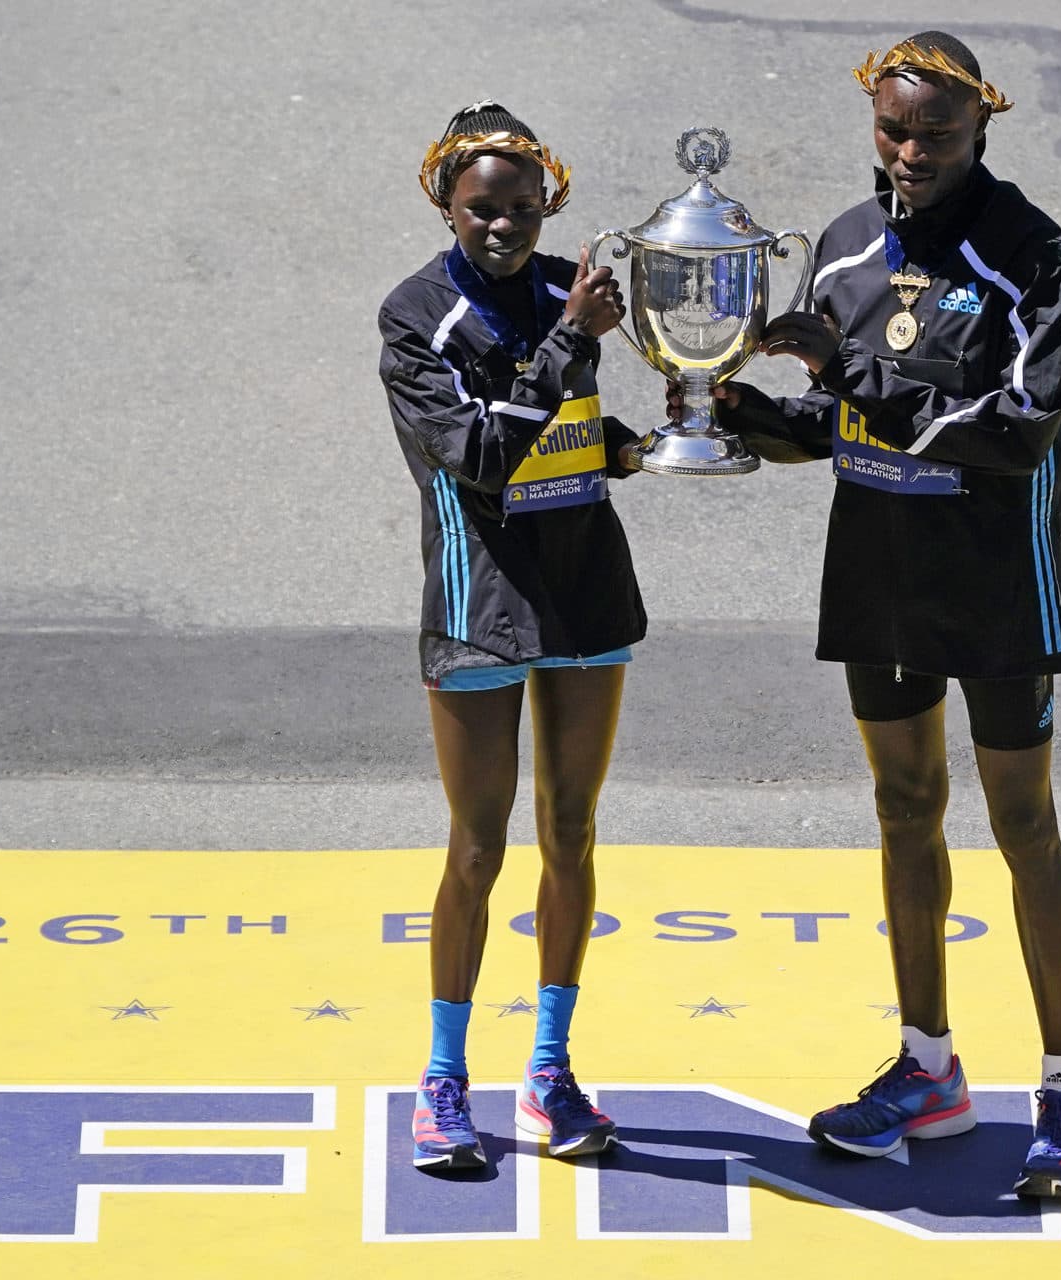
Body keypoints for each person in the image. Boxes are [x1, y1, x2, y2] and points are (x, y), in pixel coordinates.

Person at [692, 33, 1061, 1198]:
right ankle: (929, 1063)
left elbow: (1020, 429)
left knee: (1023, 821)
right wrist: (731, 410)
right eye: (892, 131)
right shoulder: (844, 245)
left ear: (982, 132)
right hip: (877, 567)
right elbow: (838, 431)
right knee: (904, 803)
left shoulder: (1033, 250)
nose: (910, 153)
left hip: (994, 568)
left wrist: (846, 375)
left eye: (935, 135)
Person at [377, 100, 645, 1170]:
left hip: (585, 591)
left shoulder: (562, 287)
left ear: (551, 203)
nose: (502, 226)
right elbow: (481, 453)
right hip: (480, 600)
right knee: (479, 846)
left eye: (523, 208)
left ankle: (550, 1066)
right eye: (482, 208)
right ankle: (443, 1078)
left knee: (571, 832)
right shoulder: (414, 317)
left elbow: (566, 426)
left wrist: (632, 444)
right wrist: (574, 340)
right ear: (445, 199)